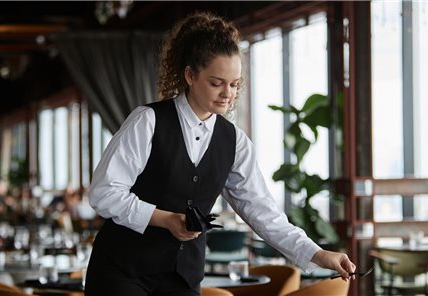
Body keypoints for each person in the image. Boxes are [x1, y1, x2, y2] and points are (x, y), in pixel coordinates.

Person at [85, 12, 356, 296]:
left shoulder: (235, 142)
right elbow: (104, 192)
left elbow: (261, 211)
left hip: (181, 278)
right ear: (190, 75)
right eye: (217, 83)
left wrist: (317, 253)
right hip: (121, 273)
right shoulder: (148, 121)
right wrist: (164, 218)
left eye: (234, 84)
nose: (228, 93)